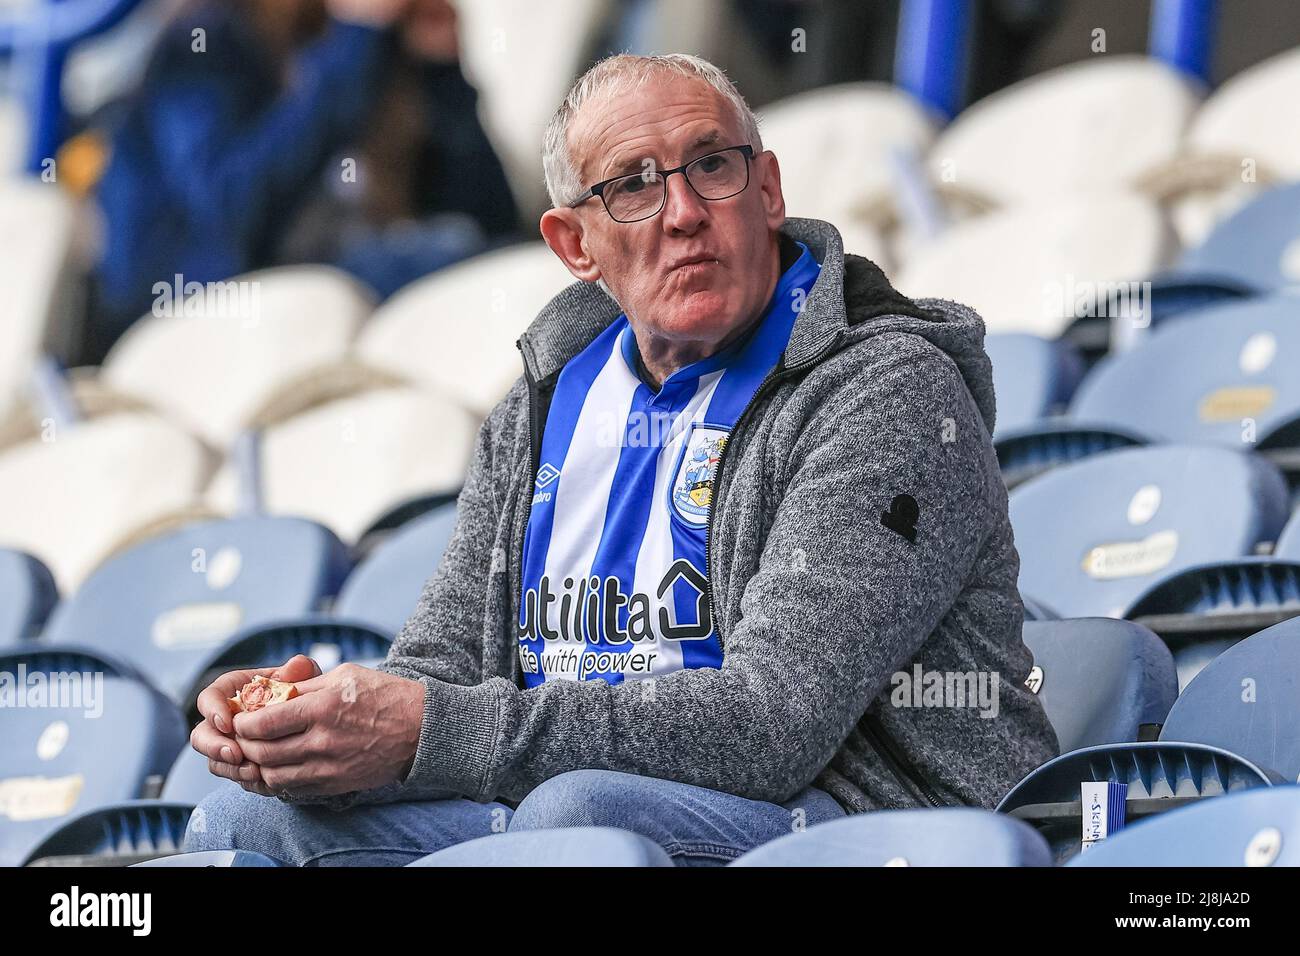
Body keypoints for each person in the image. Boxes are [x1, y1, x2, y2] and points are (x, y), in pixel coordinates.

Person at [185, 52, 1058, 866]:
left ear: (768, 190)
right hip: (573, 818)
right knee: (244, 821)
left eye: (713, 165)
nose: (684, 212)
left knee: (578, 819)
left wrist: (424, 728)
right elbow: (444, 672)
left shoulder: (888, 390)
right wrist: (315, 723)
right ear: (575, 246)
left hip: (867, 821)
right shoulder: (536, 410)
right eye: (634, 186)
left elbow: (772, 723)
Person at [86, 0, 517, 362]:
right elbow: (232, 214)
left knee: (492, 261)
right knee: (462, 259)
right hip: (200, 306)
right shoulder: (200, 46)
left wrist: (443, 74)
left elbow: (493, 221)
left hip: (350, 285)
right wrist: (358, 37)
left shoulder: (371, 42)